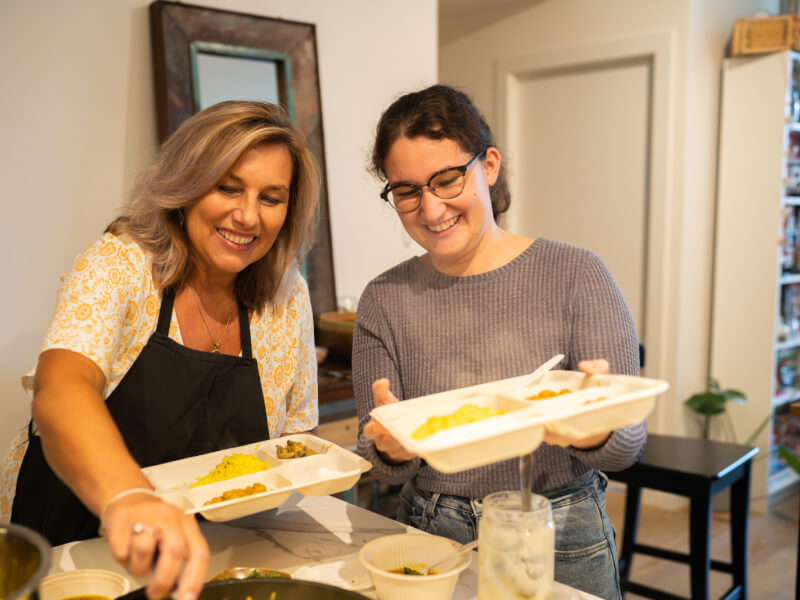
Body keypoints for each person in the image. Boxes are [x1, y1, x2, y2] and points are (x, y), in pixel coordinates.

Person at [0, 101, 320, 599]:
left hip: (206, 559)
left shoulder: (287, 295)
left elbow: (297, 443)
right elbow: (60, 390)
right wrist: (130, 496)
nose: (247, 216)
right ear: (187, 185)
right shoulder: (118, 264)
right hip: (77, 551)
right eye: (228, 187)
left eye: (271, 198)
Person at [353, 84, 644, 600]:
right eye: (407, 191)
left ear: (487, 166)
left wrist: (594, 430)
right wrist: (389, 447)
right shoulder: (384, 298)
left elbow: (628, 447)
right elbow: (375, 457)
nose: (431, 207)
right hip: (430, 530)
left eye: (446, 180)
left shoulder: (577, 273)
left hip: (558, 524)